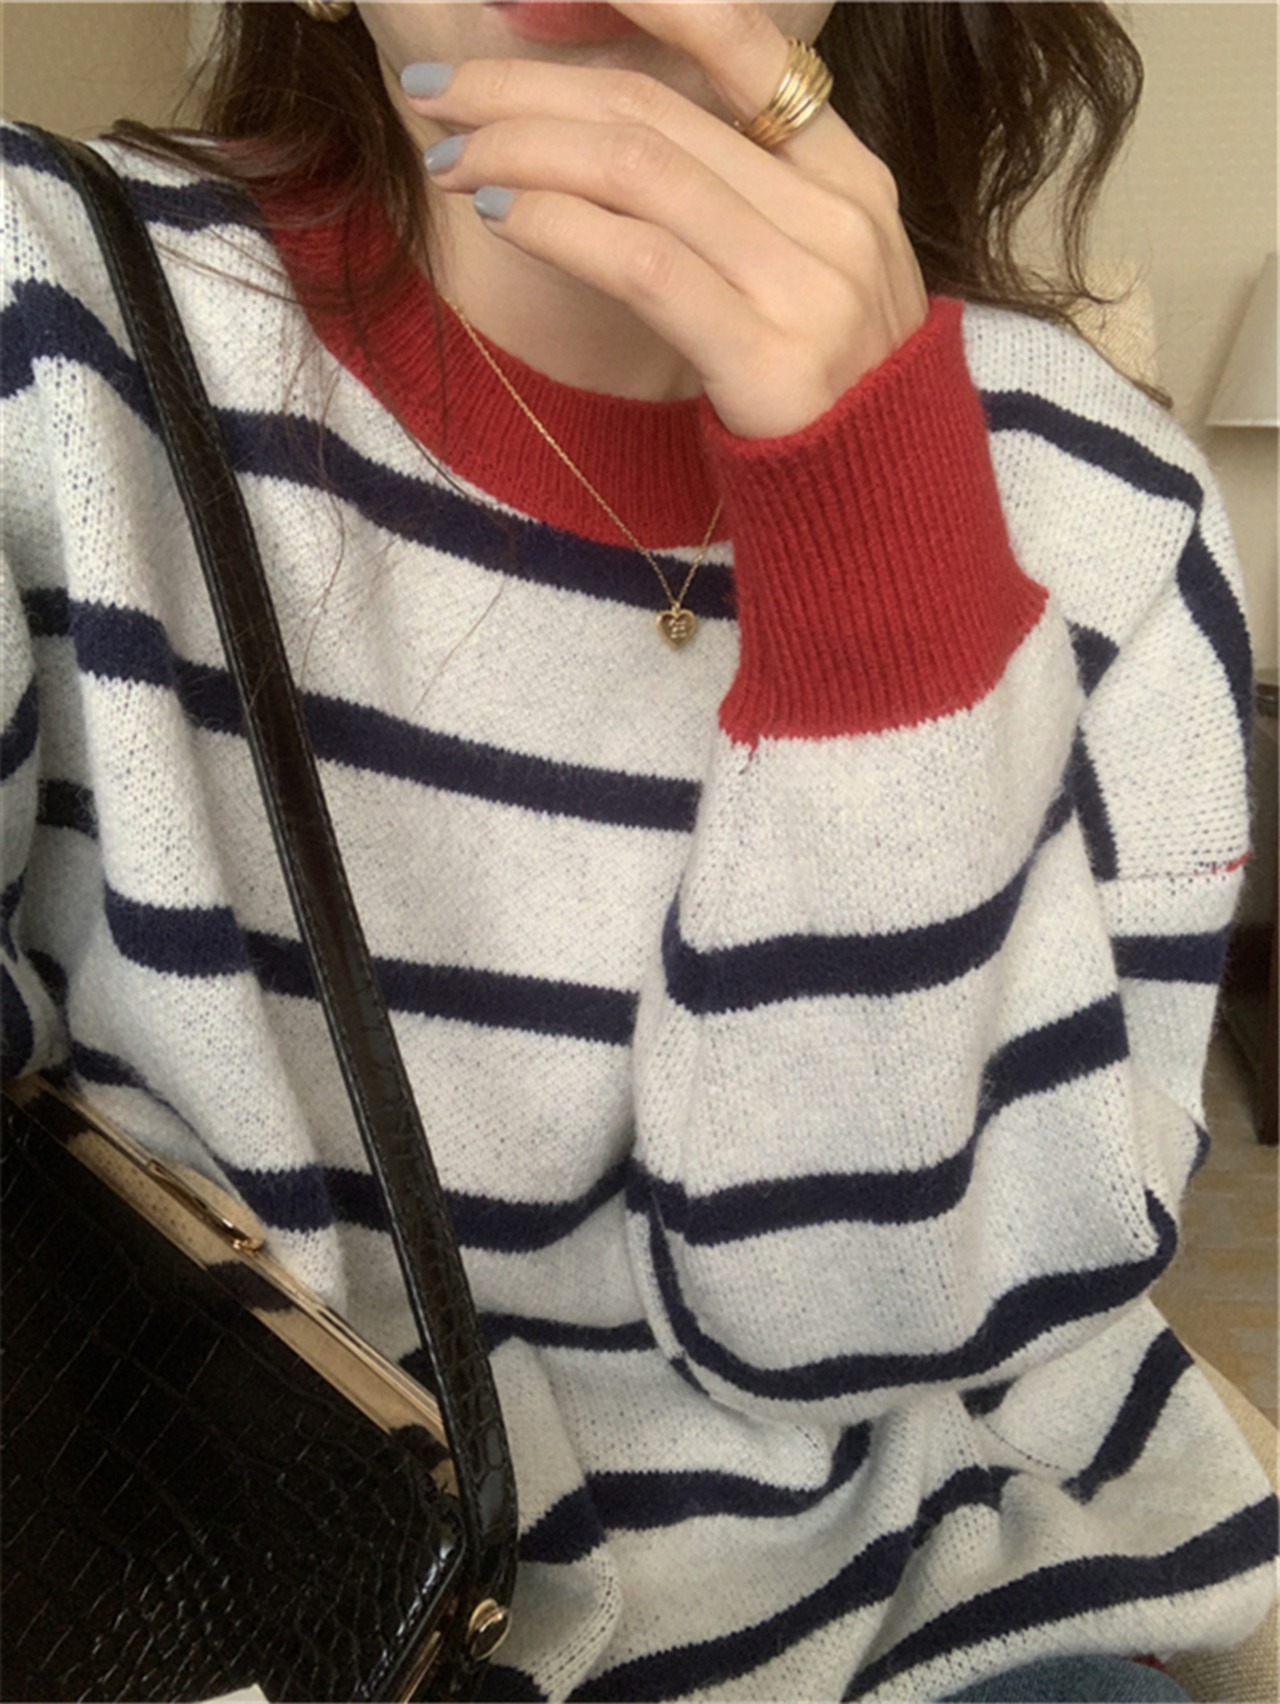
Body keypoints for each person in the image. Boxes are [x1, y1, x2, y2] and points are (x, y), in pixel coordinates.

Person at [1, 2, 1275, 1698]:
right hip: (235, 1606)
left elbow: (886, 1328)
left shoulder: (1102, 503)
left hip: (917, 1626)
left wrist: (886, 569)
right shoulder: (42, 324)